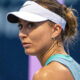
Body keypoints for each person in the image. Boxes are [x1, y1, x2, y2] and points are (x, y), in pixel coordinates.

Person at [7, 0, 80, 80]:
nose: (21, 34)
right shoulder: (74, 67)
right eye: (20, 26)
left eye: (31, 25)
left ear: (55, 30)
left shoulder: (47, 75)